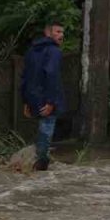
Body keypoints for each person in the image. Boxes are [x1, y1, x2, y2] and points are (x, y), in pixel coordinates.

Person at [19, 22, 65, 172]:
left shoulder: (31, 51)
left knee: (40, 129)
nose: (61, 35)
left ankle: (31, 162)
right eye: (57, 32)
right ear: (48, 33)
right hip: (46, 99)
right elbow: (52, 75)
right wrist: (51, 102)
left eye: (62, 32)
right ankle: (40, 165)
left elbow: (25, 76)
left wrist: (25, 100)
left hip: (32, 97)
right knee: (46, 129)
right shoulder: (54, 51)